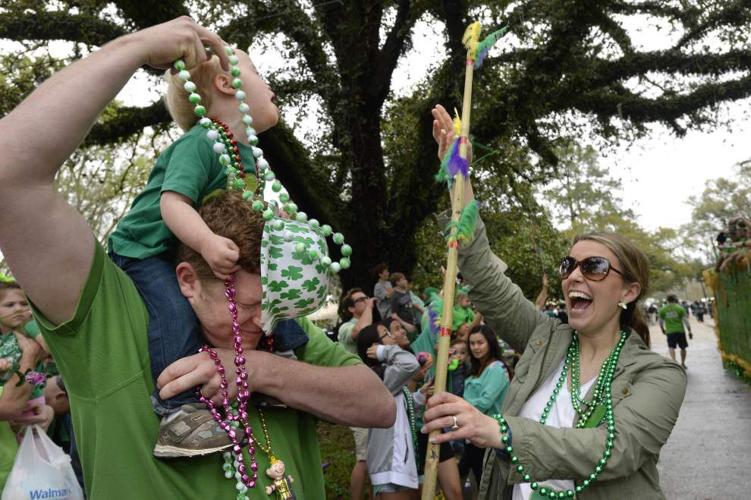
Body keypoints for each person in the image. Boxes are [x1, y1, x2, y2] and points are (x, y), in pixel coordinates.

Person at [0, 17, 395, 499]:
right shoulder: (107, 317)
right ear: (188, 280)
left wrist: (256, 369)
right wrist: (137, 46)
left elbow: (379, 406)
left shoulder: (273, 318)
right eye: (245, 307)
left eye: (269, 308)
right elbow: (7, 171)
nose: (263, 323)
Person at [421, 104, 686, 499]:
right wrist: (459, 175)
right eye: (569, 265)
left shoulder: (660, 376)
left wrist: (498, 430)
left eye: (594, 267)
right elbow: (486, 278)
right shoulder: (544, 338)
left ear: (628, 291)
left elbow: (615, 450)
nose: (575, 275)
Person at [104, 31, 279, 456]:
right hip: (143, 249)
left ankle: (279, 365)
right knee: (174, 312)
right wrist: (206, 241)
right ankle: (178, 413)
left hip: (179, 250)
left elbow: (245, 209)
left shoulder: (247, 154)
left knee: (273, 300)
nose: (269, 83)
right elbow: (173, 203)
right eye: (256, 72)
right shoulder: (201, 142)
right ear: (225, 84)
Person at [357, 323, 421, 499]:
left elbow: (400, 406)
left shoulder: (386, 375)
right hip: (390, 464)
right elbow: (410, 364)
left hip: (397, 461)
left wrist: (421, 396)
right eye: (386, 334)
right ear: (373, 346)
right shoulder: (378, 376)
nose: (392, 337)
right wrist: (384, 351)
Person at [458, 325, 510, 486]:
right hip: (471, 432)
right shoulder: (475, 367)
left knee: (484, 482)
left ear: (490, 343)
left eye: (480, 343)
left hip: (488, 434)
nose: (475, 347)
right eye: (472, 344)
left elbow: (485, 402)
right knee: (465, 472)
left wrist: (460, 404)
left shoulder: (497, 369)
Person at [337, 288, 376, 500]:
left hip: (371, 396)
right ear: (351, 308)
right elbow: (359, 333)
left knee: (375, 455)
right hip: (355, 398)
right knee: (363, 457)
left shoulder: (372, 324)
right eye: (361, 300)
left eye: (366, 298)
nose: (367, 301)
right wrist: (370, 307)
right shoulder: (346, 327)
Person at [659, 294, 692, 369]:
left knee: (671, 347)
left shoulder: (663, 310)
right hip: (680, 331)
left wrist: (662, 329)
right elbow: (685, 321)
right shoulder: (680, 308)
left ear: (667, 300)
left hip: (670, 332)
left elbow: (660, 322)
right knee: (683, 347)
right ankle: (683, 363)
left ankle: (674, 362)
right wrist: (689, 330)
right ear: (675, 299)